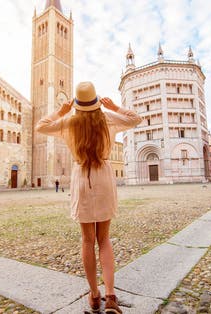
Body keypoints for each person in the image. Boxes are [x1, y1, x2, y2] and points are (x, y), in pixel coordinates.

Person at [36, 81, 141, 313]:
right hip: (103, 176)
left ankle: (94, 296)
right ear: (95, 102)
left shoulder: (69, 122)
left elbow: (41, 126)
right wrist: (114, 106)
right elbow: (135, 119)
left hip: (82, 176)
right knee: (104, 239)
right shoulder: (107, 119)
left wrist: (60, 111)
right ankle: (111, 296)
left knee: (87, 240)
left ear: (77, 104)